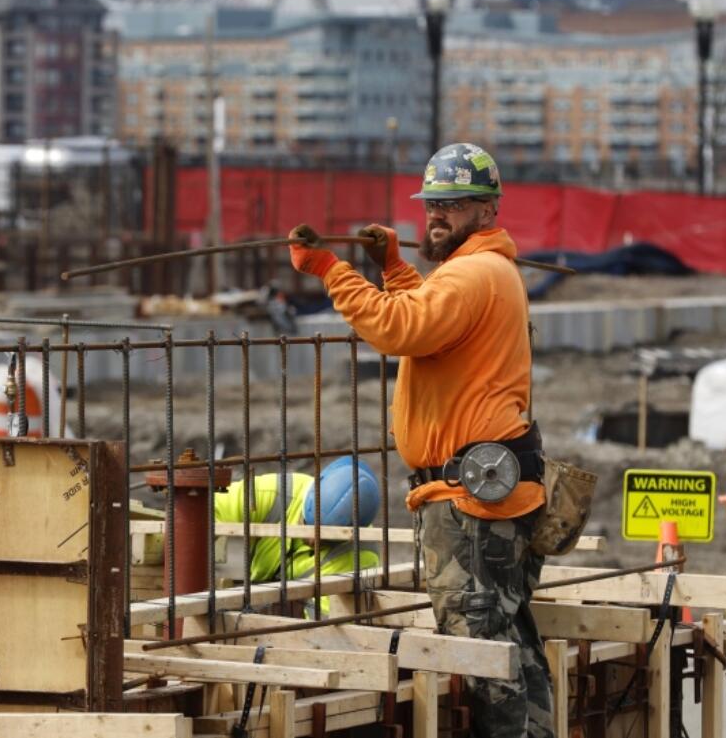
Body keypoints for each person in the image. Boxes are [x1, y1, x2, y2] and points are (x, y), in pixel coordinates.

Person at [286, 143, 552, 738]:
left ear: (489, 211)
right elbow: (430, 326)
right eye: (433, 203)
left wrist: (333, 271)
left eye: (454, 205)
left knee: (483, 655)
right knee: (512, 645)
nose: (438, 214)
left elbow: (400, 328)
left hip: (470, 504)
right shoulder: (480, 270)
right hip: (483, 492)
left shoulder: (472, 273)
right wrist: (393, 269)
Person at [214, 457, 381, 593]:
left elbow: (325, 628)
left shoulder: (359, 559)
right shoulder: (272, 494)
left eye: (326, 539)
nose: (312, 540)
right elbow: (205, 511)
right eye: (307, 524)